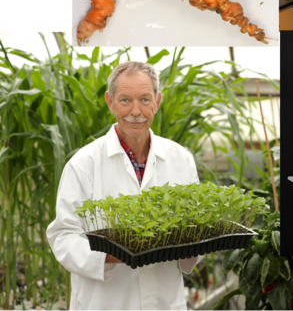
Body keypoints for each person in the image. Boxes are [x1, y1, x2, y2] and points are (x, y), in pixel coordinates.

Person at [47, 61, 202, 311]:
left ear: (157, 101)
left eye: (144, 99)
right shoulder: (84, 164)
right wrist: (116, 254)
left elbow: (197, 228)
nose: (136, 111)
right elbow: (63, 237)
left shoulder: (180, 159)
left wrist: (189, 245)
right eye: (125, 100)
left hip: (164, 303)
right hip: (104, 303)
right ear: (110, 102)